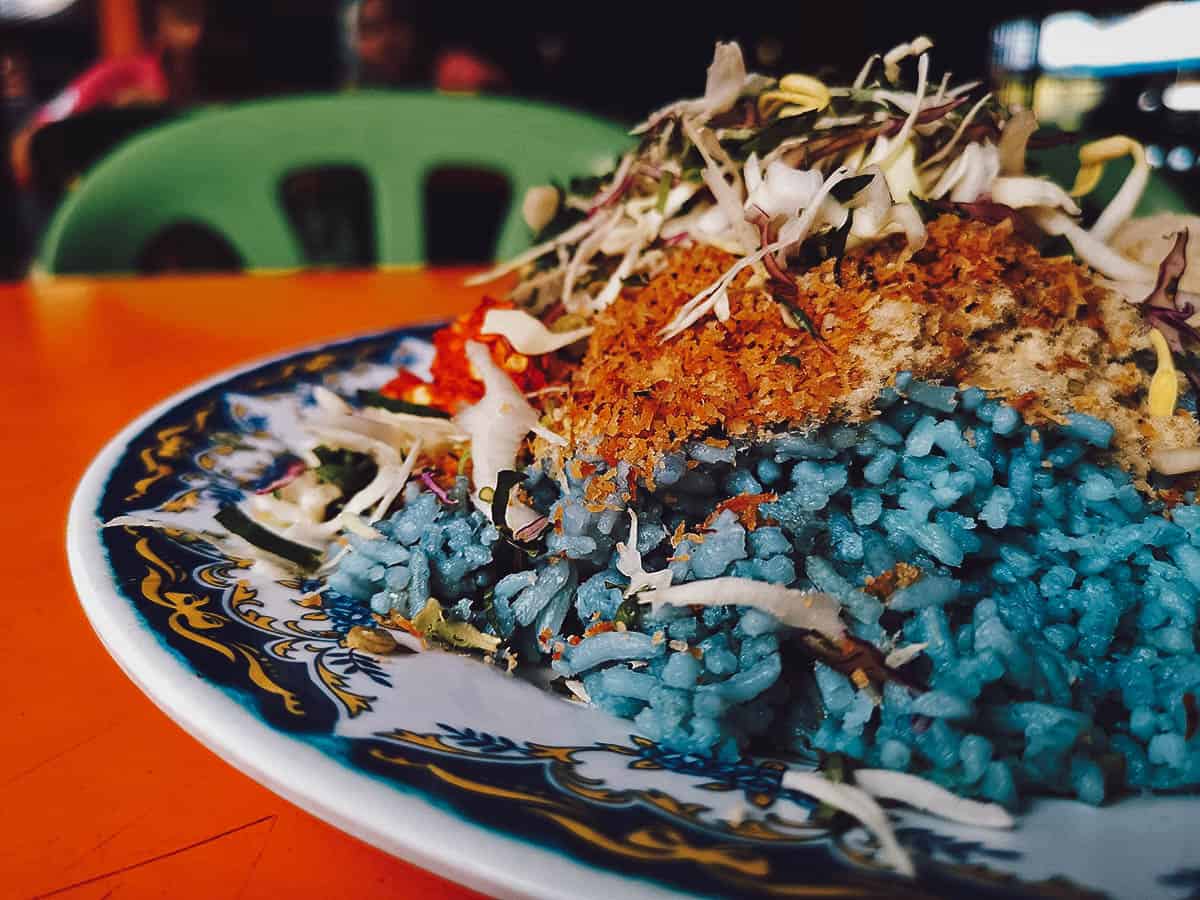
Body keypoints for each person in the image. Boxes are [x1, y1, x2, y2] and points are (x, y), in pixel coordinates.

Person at [9, 0, 205, 188]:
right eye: (185, 18)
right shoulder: (121, 75)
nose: (199, 33)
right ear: (161, 23)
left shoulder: (227, 83)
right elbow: (27, 145)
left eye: (211, 20)